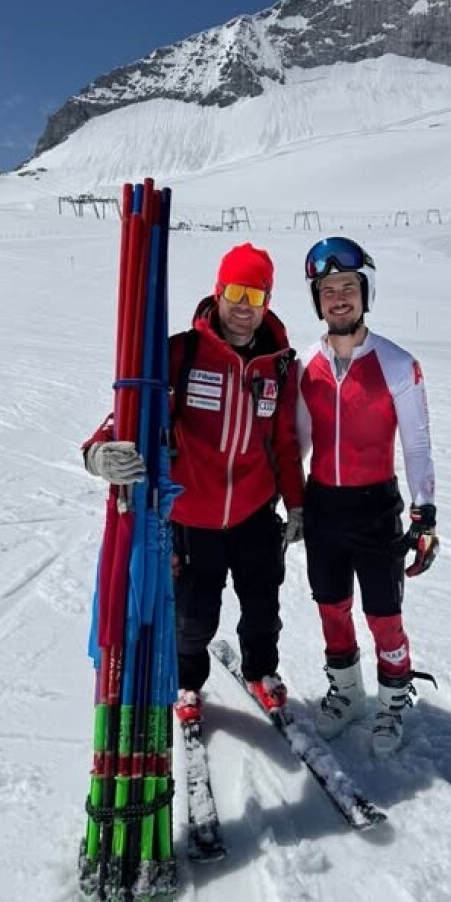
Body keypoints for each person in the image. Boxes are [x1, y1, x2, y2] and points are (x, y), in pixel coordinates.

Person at [83, 243, 305, 723]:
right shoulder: (181, 353)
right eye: (236, 292)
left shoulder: (279, 366)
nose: (244, 306)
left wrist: (296, 503)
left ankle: (261, 671)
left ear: (267, 301)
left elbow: (285, 441)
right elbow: (133, 410)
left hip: (254, 513)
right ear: (218, 291)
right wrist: (98, 449)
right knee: (192, 617)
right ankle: (188, 682)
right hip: (192, 516)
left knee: (263, 607)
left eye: (255, 295)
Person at [296, 236, 438, 757]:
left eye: (348, 288)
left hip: (376, 508)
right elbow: (298, 443)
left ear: (366, 292)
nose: (338, 298)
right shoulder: (304, 365)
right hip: (323, 507)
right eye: (328, 290)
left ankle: (392, 700)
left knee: (384, 615)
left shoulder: (398, 364)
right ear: (317, 300)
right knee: (331, 607)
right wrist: (287, 502)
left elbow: (417, 443)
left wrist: (425, 514)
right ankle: (349, 694)